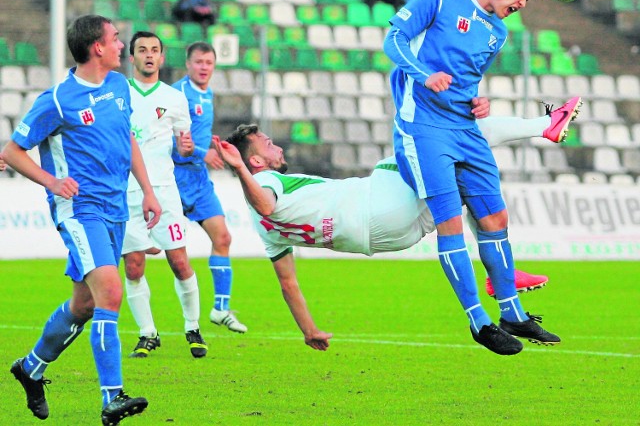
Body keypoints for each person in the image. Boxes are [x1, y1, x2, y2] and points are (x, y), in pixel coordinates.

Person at [213, 102, 581, 350]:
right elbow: (262, 200)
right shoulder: (266, 184)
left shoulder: (263, 227)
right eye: (268, 143)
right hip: (380, 202)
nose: (276, 146)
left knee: (456, 175)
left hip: (391, 237)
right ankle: (545, 124)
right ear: (256, 160)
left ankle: (499, 275)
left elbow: (288, 283)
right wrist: (241, 169)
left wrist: (309, 330)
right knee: (451, 137)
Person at [383, 0, 566, 356]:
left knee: (495, 217)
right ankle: (478, 321)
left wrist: (477, 102)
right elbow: (392, 40)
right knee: (450, 223)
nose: (519, 5)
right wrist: (423, 75)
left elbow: (467, 79)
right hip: (423, 127)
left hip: (464, 128)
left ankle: (512, 312)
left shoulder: (497, 33)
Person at [2, 15, 160, 424]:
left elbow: (127, 137)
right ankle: (112, 398)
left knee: (84, 304)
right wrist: (52, 182)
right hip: (80, 210)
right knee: (110, 293)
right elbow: (13, 151)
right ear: (97, 48)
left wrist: (147, 190)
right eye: (116, 39)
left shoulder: (119, 86)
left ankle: (31, 368)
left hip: (115, 209)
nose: (122, 45)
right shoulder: (58, 100)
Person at [122, 31, 208, 359]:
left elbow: (182, 142)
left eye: (154, 50)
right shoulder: (119, 94)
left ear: (161, 57)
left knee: (179, 261)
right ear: (131, 57)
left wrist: (186, 147)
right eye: (142, 50)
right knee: (133, 265)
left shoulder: (174, 98)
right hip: (126, 192)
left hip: (164, 191)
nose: (148, 55)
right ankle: (147, 334)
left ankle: (192, 327)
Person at [172, 42, 248, 333]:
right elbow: (167, 138)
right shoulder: (177, 94)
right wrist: (203, 152)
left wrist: (212, 147)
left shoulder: (208, 94)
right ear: (188, 64)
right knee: (151, 252)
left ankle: (220, 308)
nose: (204, 67)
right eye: (199, 62)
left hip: (200, 180)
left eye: (209, 63)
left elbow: (198, 134)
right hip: (174, 178)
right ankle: (146, 327)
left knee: (223, 237)